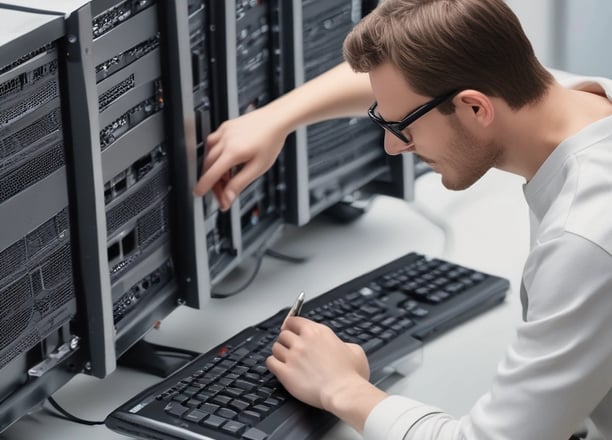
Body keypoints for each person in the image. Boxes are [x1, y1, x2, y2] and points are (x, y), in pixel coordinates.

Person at [194, 0, 612, 438]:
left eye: (403, 130)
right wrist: (276, 118)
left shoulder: (582, 238)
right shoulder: (570, 100)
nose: (394, 149)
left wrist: (343, 388)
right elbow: (407, 82)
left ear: (475, 109)